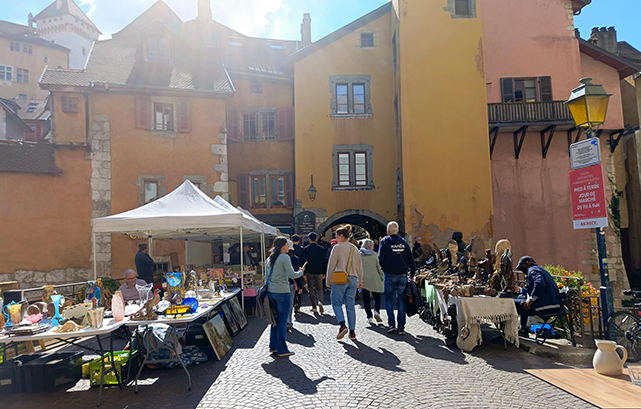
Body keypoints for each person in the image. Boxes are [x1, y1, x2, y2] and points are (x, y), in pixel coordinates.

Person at [265, 236, 304, 357]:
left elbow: (266, 277)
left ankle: (273, 346)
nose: (289, 247)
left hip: (271, 291)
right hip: (282, 291)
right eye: (287, 244)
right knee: (282, 321)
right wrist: (301, 271)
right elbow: (292, 275)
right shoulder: (285, 257)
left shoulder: (269, 258)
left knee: (275, 320)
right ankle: (282, 349)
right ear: (282, 246)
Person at [378, 221, 416, 335]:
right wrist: (412, 273)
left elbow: (380, 258)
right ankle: (401, 326)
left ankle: (391, 324)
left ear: (388, 231)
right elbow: (410, 258)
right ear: (398, 231)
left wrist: (384, 268)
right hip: (402, 274)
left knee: (388, 299)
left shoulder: (384, 241)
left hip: (389, 273)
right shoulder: (403, 242)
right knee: (401, 300)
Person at [326, 225, 363, 340]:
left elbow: (331, 266)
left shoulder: (337, 248)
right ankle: (352, 332)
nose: (335, 238)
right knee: (350, 306)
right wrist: (360, 280)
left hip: (340, 278)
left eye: (336, 236)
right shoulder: (354, 248)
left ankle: (342, 325)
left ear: (341, 236)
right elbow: (359, 266)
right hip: (353, 279)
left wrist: (328, 281)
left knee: (336, 303)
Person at [514, 256, 562, 336]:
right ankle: (522, 330)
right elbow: (533, 290)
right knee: (521, 298)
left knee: (513, 304)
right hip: (551, 303)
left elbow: (540, 283)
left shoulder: (533, 270)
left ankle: (509, 334)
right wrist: (520, 290)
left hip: (549, 306)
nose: (522, 271)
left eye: (522, 268)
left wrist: (531, 299)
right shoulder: (539, 269)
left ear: (527, 264)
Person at [301, 232, 327, 314]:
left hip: (309, 271)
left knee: (311, 289)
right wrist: (324, 272)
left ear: (309, 239)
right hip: (319, 271)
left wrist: (304, 273)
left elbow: (304, 261)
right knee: (320, 288)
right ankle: (320, 301)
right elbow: (324, 261)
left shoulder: (306, 249)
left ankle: (314, 306)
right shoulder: (321, 249)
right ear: (316, 239)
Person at [360, 239, 384, 325]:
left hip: (364, 278)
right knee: (377, 296)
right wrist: (382, 276)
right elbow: (379, 267)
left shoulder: (359, 255)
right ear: (371, 246)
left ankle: (369, 316)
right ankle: (376, 311)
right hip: (374, 277)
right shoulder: (375, 255)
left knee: (366, 298)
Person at [286, 239, 302, 330]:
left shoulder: (278, 258)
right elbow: (295, 273)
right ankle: (289, 320)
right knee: (290, 303)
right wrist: (300, 286)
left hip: (280, 284)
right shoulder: (294, 258)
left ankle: (286, 321)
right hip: (291, 282)